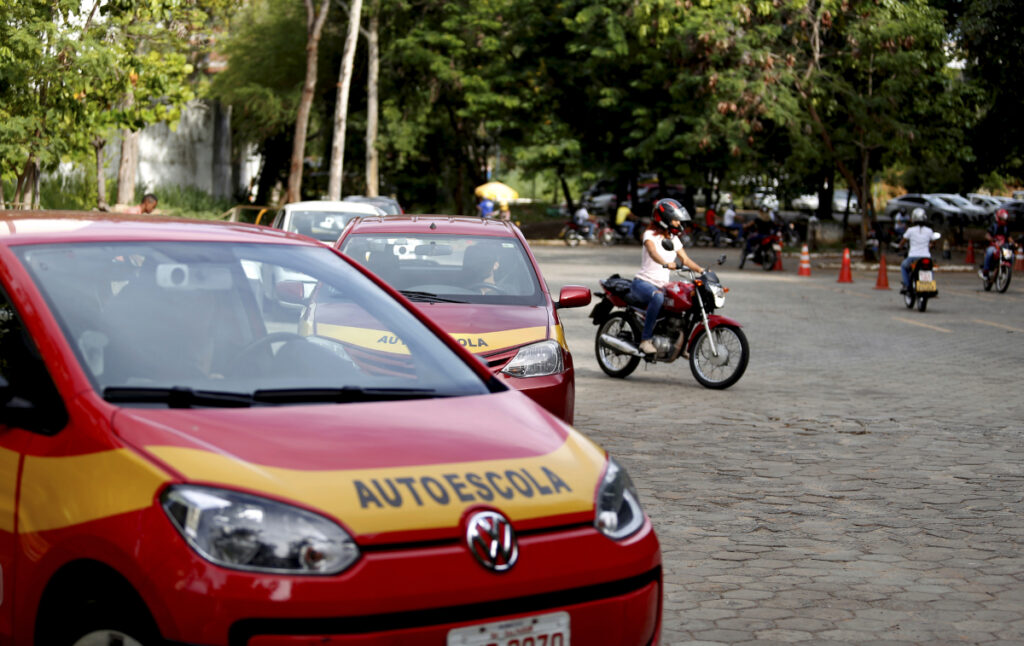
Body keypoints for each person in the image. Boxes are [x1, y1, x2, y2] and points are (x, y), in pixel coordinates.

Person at [631, 198, 705, 355]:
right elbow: (652, 252)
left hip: (662, 285)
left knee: (686, 298)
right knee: (657, 297)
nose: (679, 224)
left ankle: (681, 343)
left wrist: (702, 270)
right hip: (643, 283)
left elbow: (685, 259)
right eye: (676, 220)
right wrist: (666, 262)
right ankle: (645, 340)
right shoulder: (649, 234)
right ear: (664, 219)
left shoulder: (673, 238)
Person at [898, 207, 936, 292]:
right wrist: (931, 245)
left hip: (913, 257)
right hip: (926, 257)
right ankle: (931, 287)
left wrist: (899, 247)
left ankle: (907, 286)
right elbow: (933, 242)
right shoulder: (929, 230)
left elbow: (902, 242)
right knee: (930, 268)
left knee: (903, 266)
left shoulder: (910, 230)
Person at [980, 208, 1014, 281]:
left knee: (1011, 255)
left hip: (1003, 247)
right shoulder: (993, 226)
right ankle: (985, 272)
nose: (1003, 221)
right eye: (1002, 219)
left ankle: (1005, 270)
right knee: (989, 252)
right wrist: (991, 239)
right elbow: (987, 235)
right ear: (998, 218)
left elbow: (1009, 237)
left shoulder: (1006, 228)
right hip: (994, 246)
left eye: (1004, 219)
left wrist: (1013, 243)